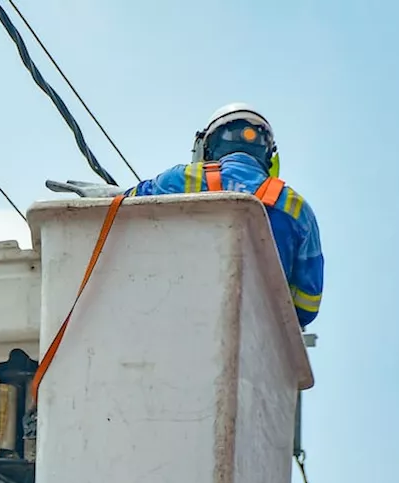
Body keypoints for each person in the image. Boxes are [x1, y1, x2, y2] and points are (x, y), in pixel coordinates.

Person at [120, 103, 324, 328]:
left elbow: (126, 208)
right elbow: (307, 307)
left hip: (169, 319)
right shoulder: (297, 209)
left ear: (204, 148)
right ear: (270, 158)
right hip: (258, 337)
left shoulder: (180, 180)